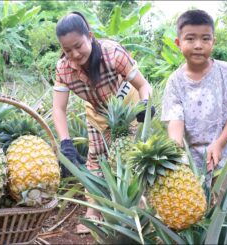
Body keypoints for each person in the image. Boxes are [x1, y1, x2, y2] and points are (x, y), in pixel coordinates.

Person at [52, 11, 154, 234]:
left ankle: (139, 211)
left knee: (130, 161)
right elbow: (58, 108)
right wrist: (65, 142)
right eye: (67, 50)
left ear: (90, 35)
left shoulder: (112, 53)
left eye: (78, 45)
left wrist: (145, 106)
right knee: (96, 160)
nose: (74, 54)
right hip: (98, 114)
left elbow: (144, 85)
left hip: (126, 109)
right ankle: (94, 212)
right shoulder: (63, 69)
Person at [161, 10, 227, 194]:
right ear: (178, 43)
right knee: (195, 210)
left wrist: (219, 144)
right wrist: (176, 151)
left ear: (213, 41)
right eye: (190, 39)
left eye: (205, 39)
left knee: (222, 207)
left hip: (225, 152)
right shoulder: (175, 81)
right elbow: (175, 119)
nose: (198, 45)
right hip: (191, 160)